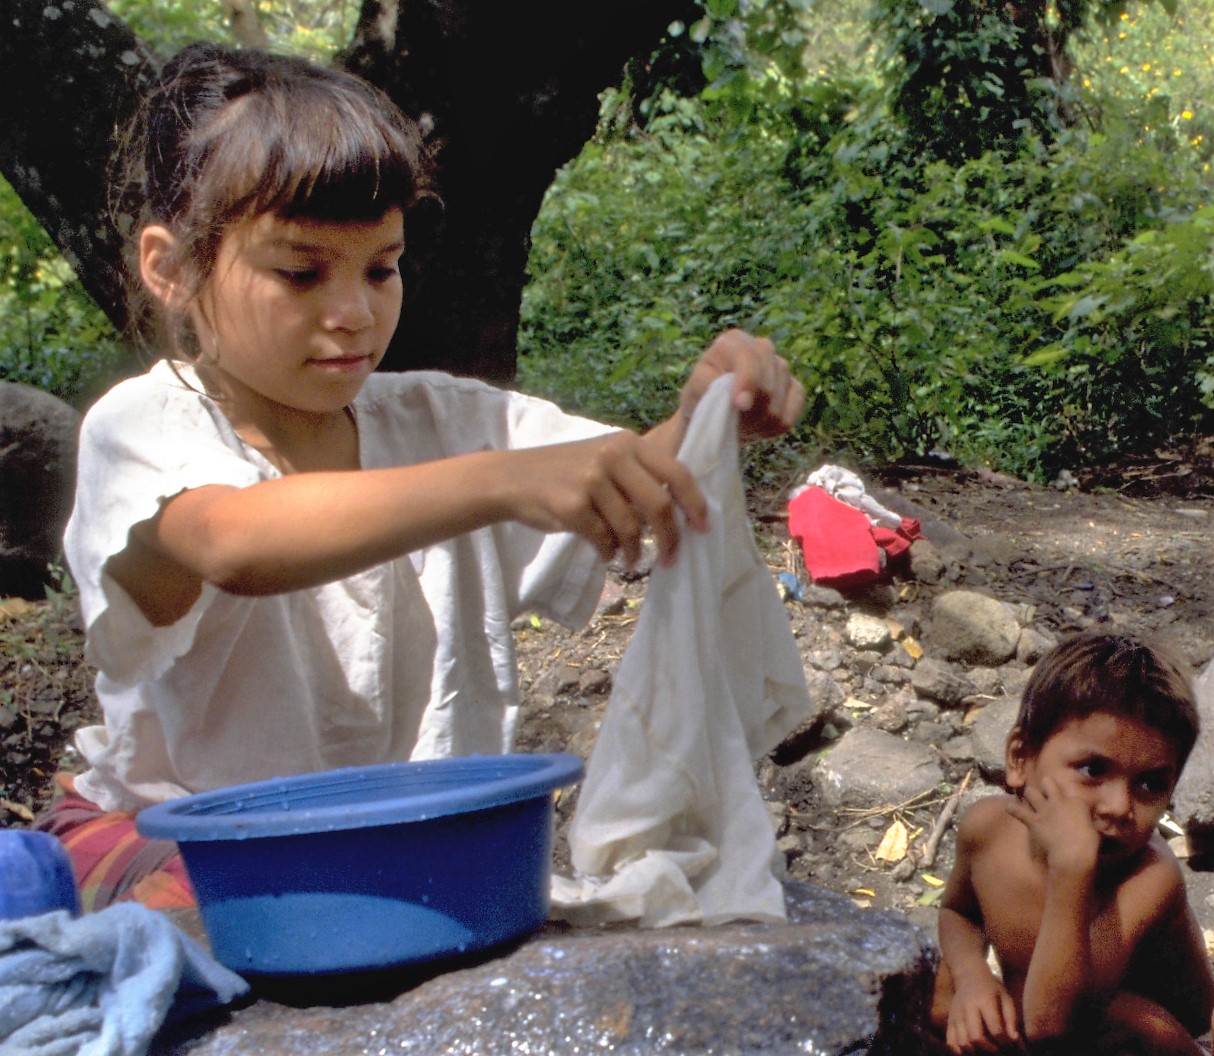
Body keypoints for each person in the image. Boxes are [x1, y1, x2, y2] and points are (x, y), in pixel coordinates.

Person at [32, 43, 805, 912]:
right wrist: (497, 482)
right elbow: (233, 541)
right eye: (300, 271)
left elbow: (633, 482)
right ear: (171, 269)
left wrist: (707, 415)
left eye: (381, 267)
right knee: (220, 917)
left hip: (397, 850)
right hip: (175, 841)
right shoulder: (146, 426)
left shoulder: (443, 421)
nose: (353, 312)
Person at [930, 631, 1214, 1055]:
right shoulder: (987, 828)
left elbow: (1053, 1025)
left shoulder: (1149, 880)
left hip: (1156, 1040)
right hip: (1046, 1021)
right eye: (1093, 769)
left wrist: (1071, 870)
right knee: (945, 994)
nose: (1119, 806)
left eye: (1151, 783)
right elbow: (958, 913)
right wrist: (973, 976)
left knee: (1130, 1017)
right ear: (1020, 758)